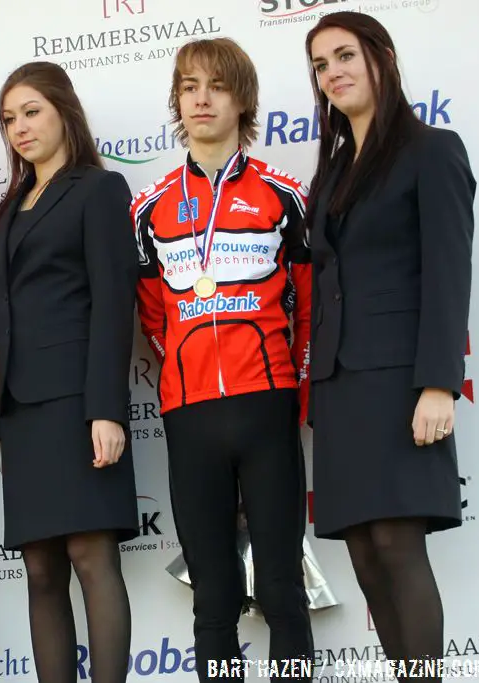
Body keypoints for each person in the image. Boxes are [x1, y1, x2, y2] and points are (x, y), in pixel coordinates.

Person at [130, 37, 314, 681]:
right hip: (189, 412)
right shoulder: (148, 208)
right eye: (188, 87)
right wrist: (183, 363)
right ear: (177, 101)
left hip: (266, 403)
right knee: (213, 598)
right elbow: (153, 313)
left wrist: (295, 385)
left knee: (283, 590)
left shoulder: (283, 194)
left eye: (216, 86)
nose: (201, 99)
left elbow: (308, 304)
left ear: (243, 100)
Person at [305, 12, 475, 677]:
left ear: (382, 57)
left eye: (345, 55)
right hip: (343, 385)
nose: (333, 72)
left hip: (402, 380)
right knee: (364, 549)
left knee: (399, 544)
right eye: (320, 64)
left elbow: (448, 270)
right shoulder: (337, 165)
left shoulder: (432, 150)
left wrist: (439, 381)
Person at [0, 61, 138, 682]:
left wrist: (105, 408)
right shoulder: (11, 204)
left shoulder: (99, 189)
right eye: (8, 119)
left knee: (90, 554)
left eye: (31, 112)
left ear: (63, 112)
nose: (19, 128)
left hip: (79, 399)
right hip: (24, 408)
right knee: (40, 566)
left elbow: (113, 302)